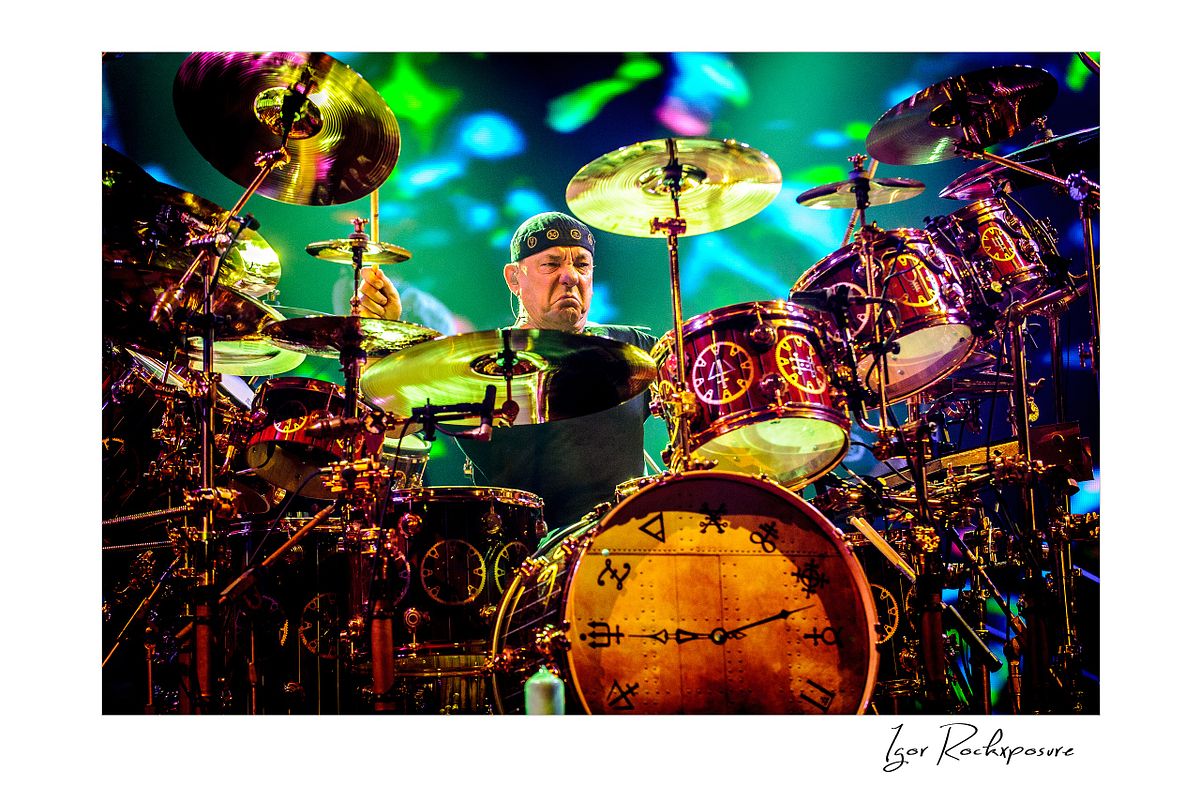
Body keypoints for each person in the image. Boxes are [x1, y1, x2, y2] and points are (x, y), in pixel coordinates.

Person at [357, 211, 656, 531]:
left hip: (638, 539)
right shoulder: (474, 367)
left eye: (582, 264)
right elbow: (387, 426)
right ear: (514, 278)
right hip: (533, 553)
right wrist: (380, 335)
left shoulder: (632, 349)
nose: (571, 276)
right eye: (551, 264)